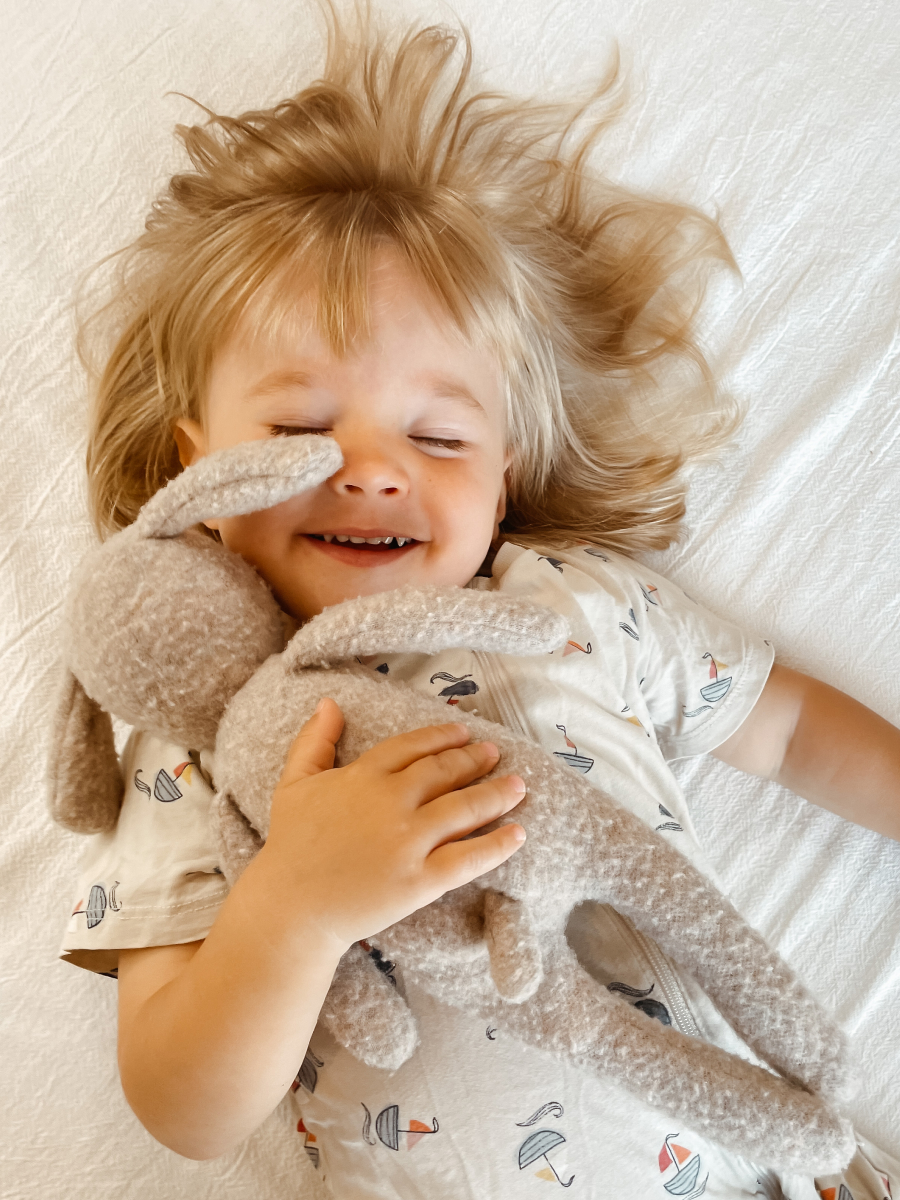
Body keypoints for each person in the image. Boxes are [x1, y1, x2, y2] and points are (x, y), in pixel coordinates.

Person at [59, 9, 900, 1198]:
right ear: (199, 470)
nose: (371, 469)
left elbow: (789, 727)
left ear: (504, 476)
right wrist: (293, 909)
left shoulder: (582, 605)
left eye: (438, 436)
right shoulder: (193, 733)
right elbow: (179, 1103)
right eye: (299, 429)